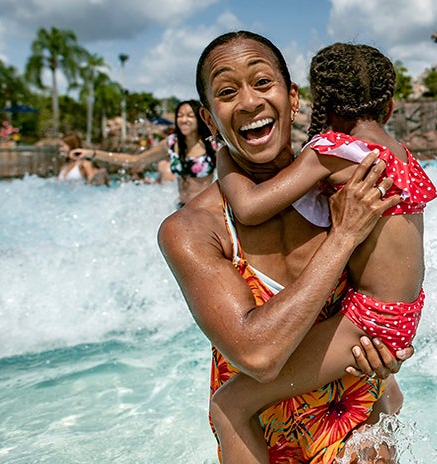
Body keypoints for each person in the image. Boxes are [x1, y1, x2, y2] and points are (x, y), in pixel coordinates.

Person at [157, 30, 410, 464]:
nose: (250, 102)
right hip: (265, 447)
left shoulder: (346, 186)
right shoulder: (194, 229)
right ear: (208, 116)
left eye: (262, 83)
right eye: (227, 91)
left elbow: (389, 288)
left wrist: (390, 356)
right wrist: (343, 237)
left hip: (361, 435)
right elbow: (258, 354)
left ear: (293, 98)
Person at [72, 100, 217, 207]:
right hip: (181, 208)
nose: (184, 120)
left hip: (207, 209)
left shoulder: (213, 145)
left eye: (190, 116)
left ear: (199, 118)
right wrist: (93, 153)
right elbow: (135, 160)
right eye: (180, 115)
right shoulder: (172, 143)